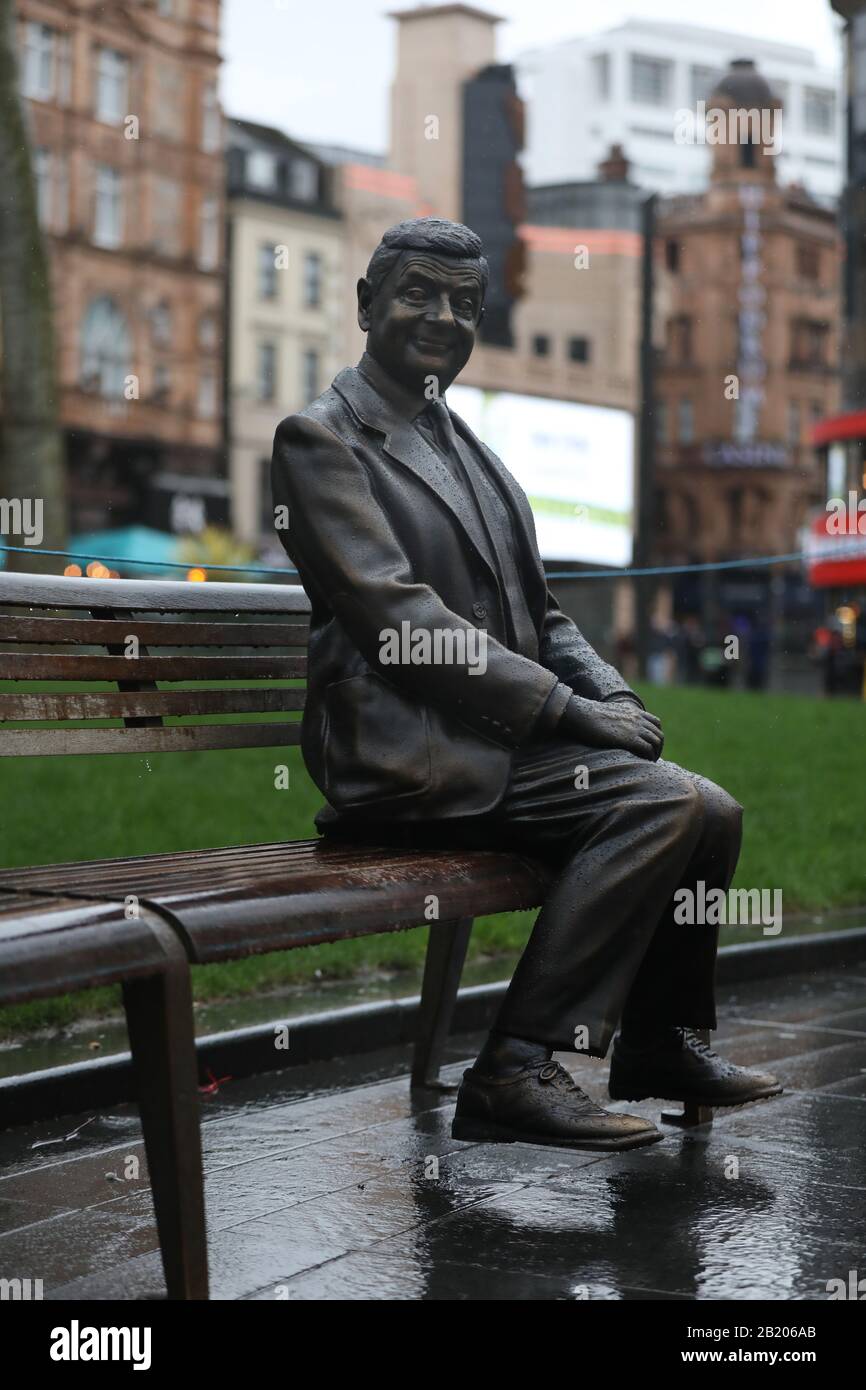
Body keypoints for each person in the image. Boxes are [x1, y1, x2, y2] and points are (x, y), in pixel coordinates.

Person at [271, 217, 782, 1152]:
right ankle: (512, 1071)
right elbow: (397, 624)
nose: (442, 317)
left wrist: (610, 694)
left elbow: (543, 615)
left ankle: (659, 1044)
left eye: (465, 304)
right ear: (367, 306)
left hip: (490, 746)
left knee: (713, 809)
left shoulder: (470, 448)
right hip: (405, 760)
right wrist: (565, 711)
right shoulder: (322, 442)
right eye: (419, 293)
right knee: (660, 806)